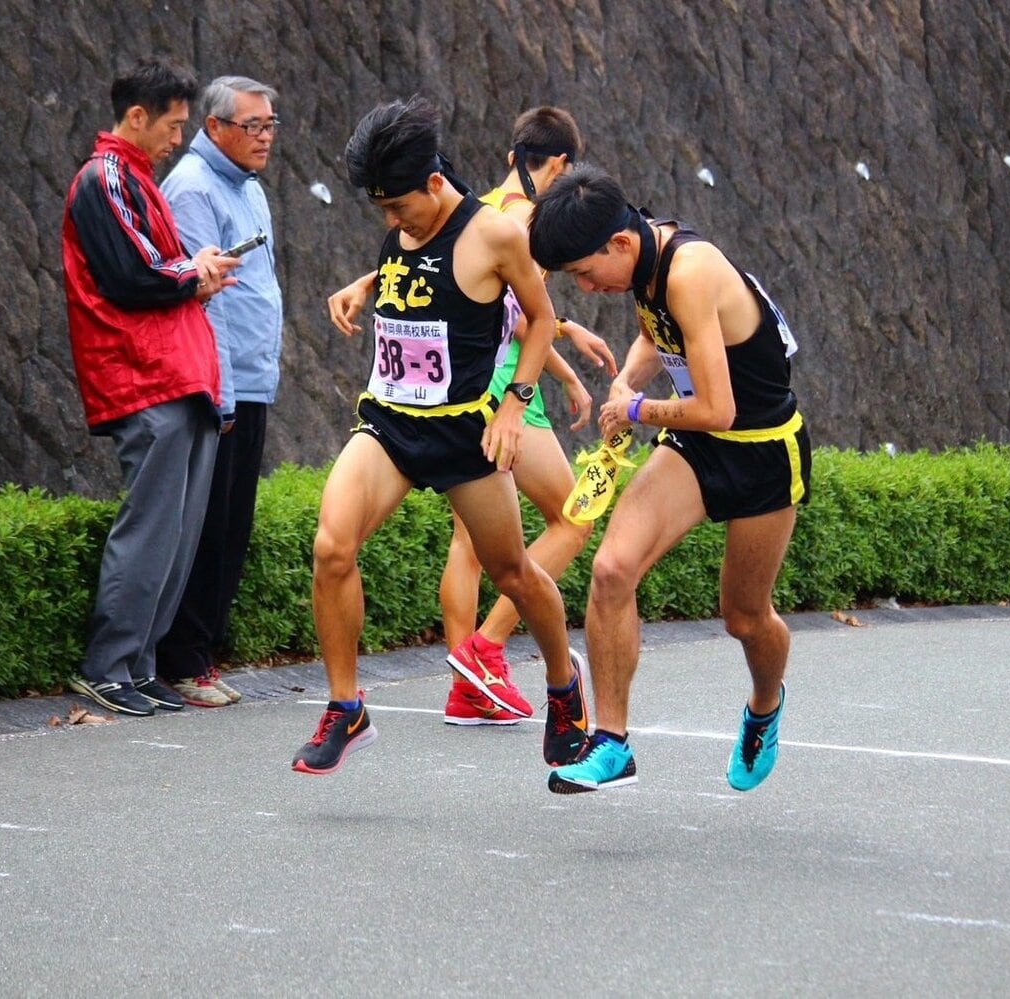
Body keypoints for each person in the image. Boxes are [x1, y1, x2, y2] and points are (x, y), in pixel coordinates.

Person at [294, 96, 582, 775]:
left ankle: (565, 689)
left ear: (433, 184)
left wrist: (514, 405)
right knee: (332, 546)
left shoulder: (497, 234)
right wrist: (365, 283)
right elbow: (421, 271)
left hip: (461, 433)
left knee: (514, 571)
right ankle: (346, 706)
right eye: (382, 213)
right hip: (391, 423)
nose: (392, 222)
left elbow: (537, 320)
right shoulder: (405, 215)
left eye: (399, 209)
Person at [527, 165, 811, 794]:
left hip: (762, 449)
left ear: (620, 245)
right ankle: (612, 744)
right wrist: (630, 378)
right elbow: (659, 336)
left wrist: (633, 410)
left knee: (744, 617)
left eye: (583, 271)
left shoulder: (688, 270)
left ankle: (765, 707)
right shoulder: (646, 256)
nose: (585, 286)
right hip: (697, 447)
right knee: (611, 570)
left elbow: (719, 407)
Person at [61, 59, 239, 718]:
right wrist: (196, 273)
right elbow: (134, 274)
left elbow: (153, 268)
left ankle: (135, 665)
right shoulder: (104, 177)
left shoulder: (134, 178)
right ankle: (109, 666)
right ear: (137, 116)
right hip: (146, 376)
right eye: (172, 124)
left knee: (176, 534)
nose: (177, 138)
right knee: (153, 530)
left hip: (174, 376)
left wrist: (195, 271)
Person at [154, 76, 285, 708]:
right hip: (221, 385)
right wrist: (225, 394)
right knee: (206, 528)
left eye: (270, 125)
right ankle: (182, 661)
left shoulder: (248, 187)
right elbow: (207, 307)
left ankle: (201, 656)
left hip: (252, 380)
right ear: (215, 128)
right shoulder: (192, 189)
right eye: (252, 126)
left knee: (233, 526)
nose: (265, 137)